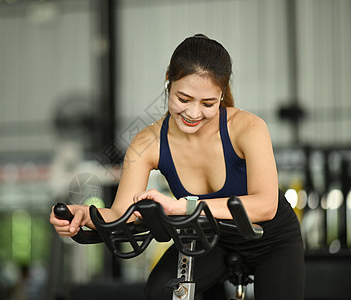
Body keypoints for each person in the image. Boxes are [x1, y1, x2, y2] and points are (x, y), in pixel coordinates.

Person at [50, 34, 305, 299]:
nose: (194, 114)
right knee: (160, 291)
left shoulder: (248, 128)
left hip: (271, 240)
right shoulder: (147, 142)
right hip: (209, 239)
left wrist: (184, 207)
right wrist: (87, 215)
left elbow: (265, 205)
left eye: (208, 104)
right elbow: (121, 216)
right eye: (183, 99)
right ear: (168, 84)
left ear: (221, 95)